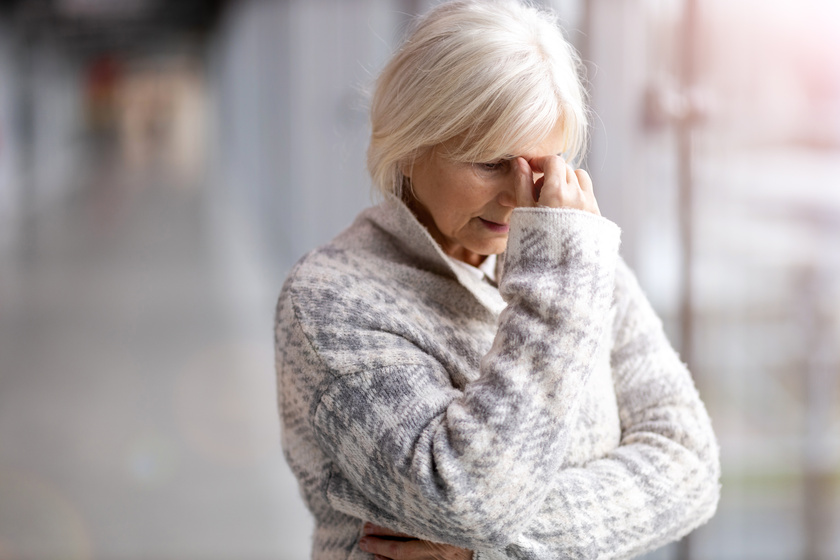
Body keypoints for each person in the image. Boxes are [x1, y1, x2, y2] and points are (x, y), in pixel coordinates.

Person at [274, 1, 720, 558]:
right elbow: (466, 499)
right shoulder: (330, 304)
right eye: (489, 163)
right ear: (408, 147)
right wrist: (558, 290)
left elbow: (691, 466)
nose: (518, 198)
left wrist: (480, 550)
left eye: (543, 166)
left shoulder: (575, 258)